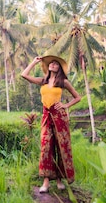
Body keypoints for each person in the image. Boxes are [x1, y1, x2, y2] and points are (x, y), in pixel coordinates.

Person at [21, 55, 81, 193]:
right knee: (46, 147)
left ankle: (59, 179)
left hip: (59, 117)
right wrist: (34, 62)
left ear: (59, 68)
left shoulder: (63, 82)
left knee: (60, 146)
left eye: (56, 64)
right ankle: (46, 181)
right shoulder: (42, 81)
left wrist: (65, 105)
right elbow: (24, 75)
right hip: (46, 116)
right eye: (51, 63)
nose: (53, 64)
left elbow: (78, 97)